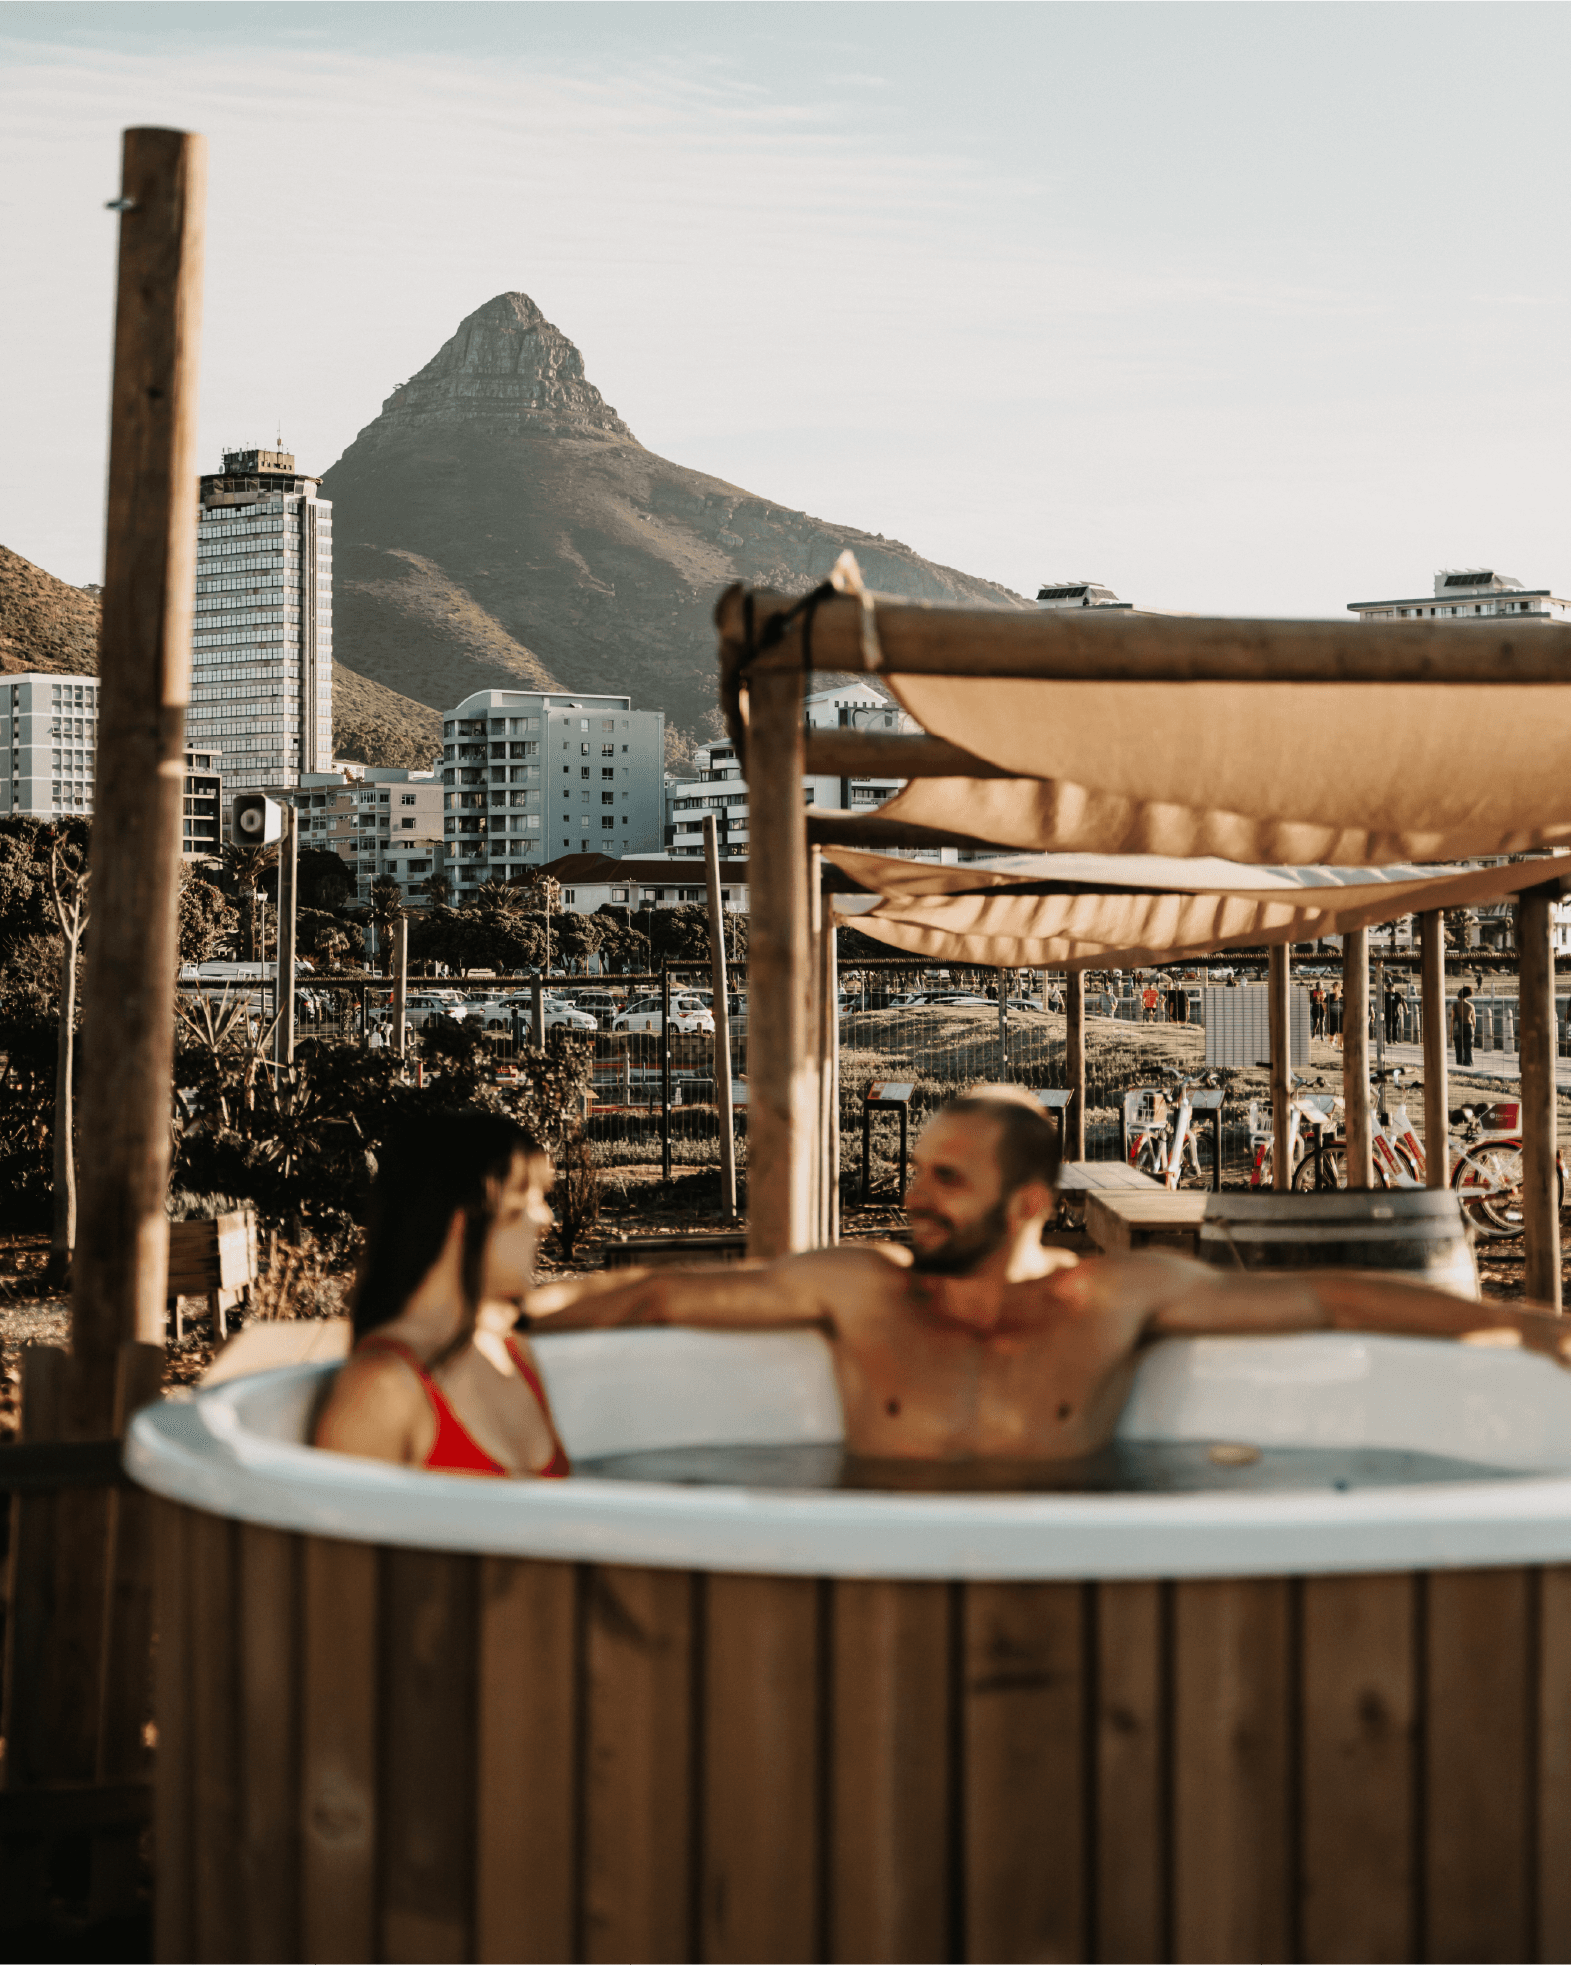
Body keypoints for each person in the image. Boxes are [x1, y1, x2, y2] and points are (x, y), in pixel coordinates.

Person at [531, 1088, 1567, 1463]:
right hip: (878, 1573)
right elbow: (660, 1296)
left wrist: (1538, 1337)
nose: (915, 1196)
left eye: (947, 1179)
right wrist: (508, 1325)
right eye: (920, 1172)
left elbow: (1337, 1301)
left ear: (1027, 1204)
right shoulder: (859, 1288)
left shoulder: (1111, 1299)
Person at [315, 1112, 571, 1477]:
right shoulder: (380, 1390)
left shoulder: (512, 1352)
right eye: (521, 1197)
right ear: (460, 1219)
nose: (544, 1217)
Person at [1453, 985, 1476, 1068]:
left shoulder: (1455, 1005)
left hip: (1459, 1027)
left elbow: (1453, 1019)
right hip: (1468, 1026)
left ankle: (1459, 1062)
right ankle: (1469, 1062)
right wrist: (1473, 1030)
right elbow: (1474, 1022)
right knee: (1468, 1047)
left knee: (1458, 1046)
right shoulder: (1471, 1006)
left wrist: (1450, 1032)